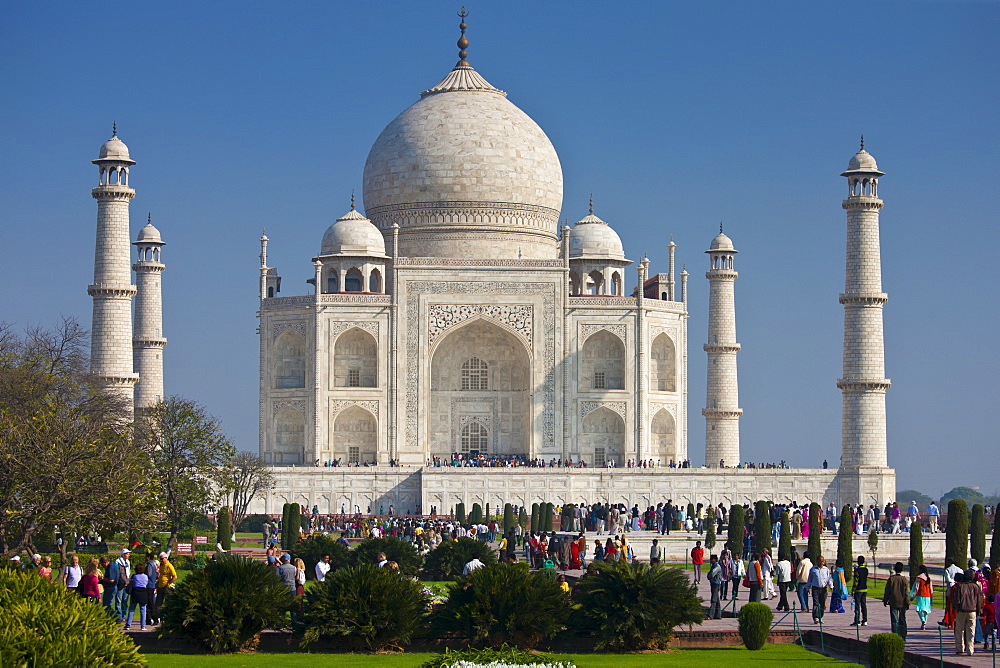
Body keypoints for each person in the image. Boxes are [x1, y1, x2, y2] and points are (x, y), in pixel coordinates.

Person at [953, 570, 983, 656]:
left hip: (961, 611)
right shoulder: (975, 587)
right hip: (972, 611)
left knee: (959, 631)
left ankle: (960, 648)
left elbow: (957, 600)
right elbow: (978, 601)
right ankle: (970, 649)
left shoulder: (960, 586)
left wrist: (957, 608)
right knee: (971, 631)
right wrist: (978, 610)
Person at [883, 561, 909, 639]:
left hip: (893, 602)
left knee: (894, 620)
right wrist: (907, 602)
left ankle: (895, 634)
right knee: (902, 619)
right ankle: (903, 634)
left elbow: (887, 591)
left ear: (894, 569)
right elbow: (906, 592)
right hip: (902, 602)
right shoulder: (904, 579)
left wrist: (885, 600)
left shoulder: (891, 579)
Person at [123, 565, 150, 630]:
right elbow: (146, 583)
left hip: (135, 592)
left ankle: (128, 624)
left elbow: (131, 582)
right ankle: (143, 625)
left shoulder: (134, 576)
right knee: (143, 609)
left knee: (132, 609)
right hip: (143, 592)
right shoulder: (145, 576)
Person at [939, 556, 964, 628]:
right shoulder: (960, 569)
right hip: (959, 589)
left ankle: (949, 620)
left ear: (949, 562)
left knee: (950, 606)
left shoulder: (948, 570)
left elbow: (948, 579)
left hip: (951, 589)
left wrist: (953, 583)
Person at [808, 556, 832, 624]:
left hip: (823, 589)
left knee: (822, 603)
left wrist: (831, 586)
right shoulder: (813, 569)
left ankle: (820, 617)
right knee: (816, 603)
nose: (821, 563)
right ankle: (815, 617)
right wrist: (807, 588)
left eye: (822, 561)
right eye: (819, 561)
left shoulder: (826, 570)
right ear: (817, 561)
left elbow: (828, 579)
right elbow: (810, 579)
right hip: (815, 588)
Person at [155, 552, 177, 624]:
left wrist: (169, 583)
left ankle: (167, 618)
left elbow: (175, 576)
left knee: (167, 603)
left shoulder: (169, 566)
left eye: (162, 559)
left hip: (166, 587)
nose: (161, 561)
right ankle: (159, 618)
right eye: (160, 559)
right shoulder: (161, 565)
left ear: (166, 558)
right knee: (158, 603)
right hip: (160, 586)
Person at [911, 564, 933, 630]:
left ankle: (923, 620)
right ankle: (925, 622)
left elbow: (916, 588)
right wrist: (931, 595)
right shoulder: (928, 578)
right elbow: (931, 589)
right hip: (928, 595)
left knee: (919, 609)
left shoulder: (919, 578)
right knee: (926, 610)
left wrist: (913, 596)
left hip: (921, 595)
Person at [851, 555, 869, 626]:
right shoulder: (866, 570)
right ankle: (865, 620)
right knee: (864, 605)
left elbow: (856, 581)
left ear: (858, 562)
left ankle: (857, 620)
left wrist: (853, 590)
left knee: (857, 605)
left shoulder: (857, 570)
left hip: (858, 590)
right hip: (864, 589)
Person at [143, 553, 159, 626]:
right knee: (149, 603)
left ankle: (155, 618)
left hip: (149, 585)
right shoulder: (153, 564)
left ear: (148, 557)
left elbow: (148, 574)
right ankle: (148, 619)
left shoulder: (149, 564)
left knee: (150, 603)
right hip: (151, 585)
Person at [707, 554, 724, 619]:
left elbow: (711, 574)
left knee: (713, 600)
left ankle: (711, 615)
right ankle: (718, 615)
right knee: (717, 600)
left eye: (712, 559)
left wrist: (709, 576)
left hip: (716, 584)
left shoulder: (717, 566)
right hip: (713, 583)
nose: (711, 560)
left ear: (715, 560)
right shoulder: (713, 566)